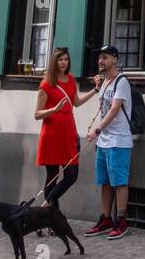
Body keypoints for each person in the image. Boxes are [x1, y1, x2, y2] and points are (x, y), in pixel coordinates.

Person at [35, 48, 98, 207]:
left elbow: (76, 102)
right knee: (52, 176)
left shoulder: (71, 80)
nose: (64, 62)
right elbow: (37, 114)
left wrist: (95, 90)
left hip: (68, 132)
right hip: (52, 133)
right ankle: (48, 219)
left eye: (66, 59)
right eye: (60, 59)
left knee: (72, 175)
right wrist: (53, 110)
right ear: (54, 62)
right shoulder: (46, 84)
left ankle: (46, 205)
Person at [85, 45, 132, 240]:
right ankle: (106, 218)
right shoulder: (105, 83)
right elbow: (103, 109)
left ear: (114, 59)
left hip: (119, 140)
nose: (100, 61)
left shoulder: (121, 82)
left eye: (104, 57)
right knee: (104, 181)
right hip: (104, 140)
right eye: (99, 58)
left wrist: (97, 129)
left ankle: (121, 220)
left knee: (119, 181)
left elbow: (114, 110)